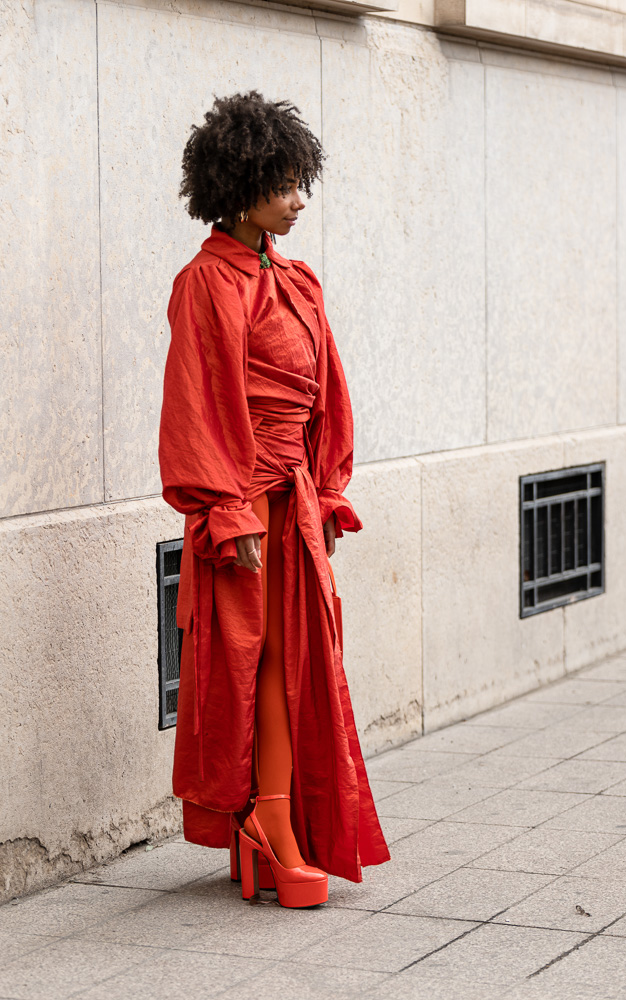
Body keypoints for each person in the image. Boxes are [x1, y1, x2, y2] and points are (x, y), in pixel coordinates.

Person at [158, 91, 390, 908]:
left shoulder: (299, 279)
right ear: (240, 183)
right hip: (246, 508)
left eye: (303, 183)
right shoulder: (205, 283)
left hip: (294, 503)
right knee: (252, 667)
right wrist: (224, 510)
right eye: (285, 184)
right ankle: (269, 829)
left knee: (301, 667)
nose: (299, 201)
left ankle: (277, 824)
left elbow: (332, 393)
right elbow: (198, 401)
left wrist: (327, 492)